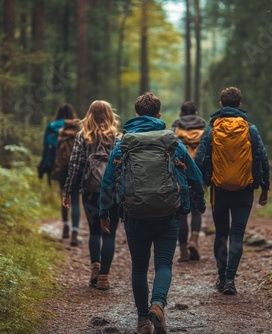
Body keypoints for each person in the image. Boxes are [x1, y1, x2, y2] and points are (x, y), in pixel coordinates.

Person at [99, 92, 206, 334]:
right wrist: (199, 203)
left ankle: (142, 321)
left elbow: (108, 181)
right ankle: (157, 305)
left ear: (136, 114)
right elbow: (195, 176)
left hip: (135, 214)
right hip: (168, 214)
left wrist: (104, 212)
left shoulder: (124, 143)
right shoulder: (171, 141)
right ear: (158, 115)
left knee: (138, 267)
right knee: (164, 265)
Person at [195, 86, 270, 295]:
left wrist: (199, 188)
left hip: (219, 190)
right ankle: (230, 280)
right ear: (240, 104)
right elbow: (262, 158)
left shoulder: (212, 128)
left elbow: (199, 159)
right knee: (237, 234)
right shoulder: (249, 128)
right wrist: (265, 187)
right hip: (245, 190)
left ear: (220, 104)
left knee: (221, 234)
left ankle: (221, 278)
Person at [62, 100, 121, 290]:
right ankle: (104, 277)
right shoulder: (117, 138)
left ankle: (95, 267)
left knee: (95, 231)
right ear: (110, 115)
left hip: (90, 190)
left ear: (89, 115)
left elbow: (75, 165)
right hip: (112, 193)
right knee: (109, 235)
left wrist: (68, 191)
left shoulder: (82, 137)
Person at [38, 103, 81, 245]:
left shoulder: (51, 126)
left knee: (64, 196)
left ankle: (66, 227)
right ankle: (75, 230)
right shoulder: (78, 126)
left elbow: (46, 148)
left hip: (60, 166)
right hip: (76, 167)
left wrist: (43, 166)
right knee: (75, 199)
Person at [170, 101, 207, 262]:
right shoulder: (205, 128)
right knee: (196, 210)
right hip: (198, 173)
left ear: (180, 113)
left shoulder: (174, 129)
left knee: (182, 214)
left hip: (180, 175)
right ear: (196, 113)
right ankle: (194, 240)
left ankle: (184, 251)